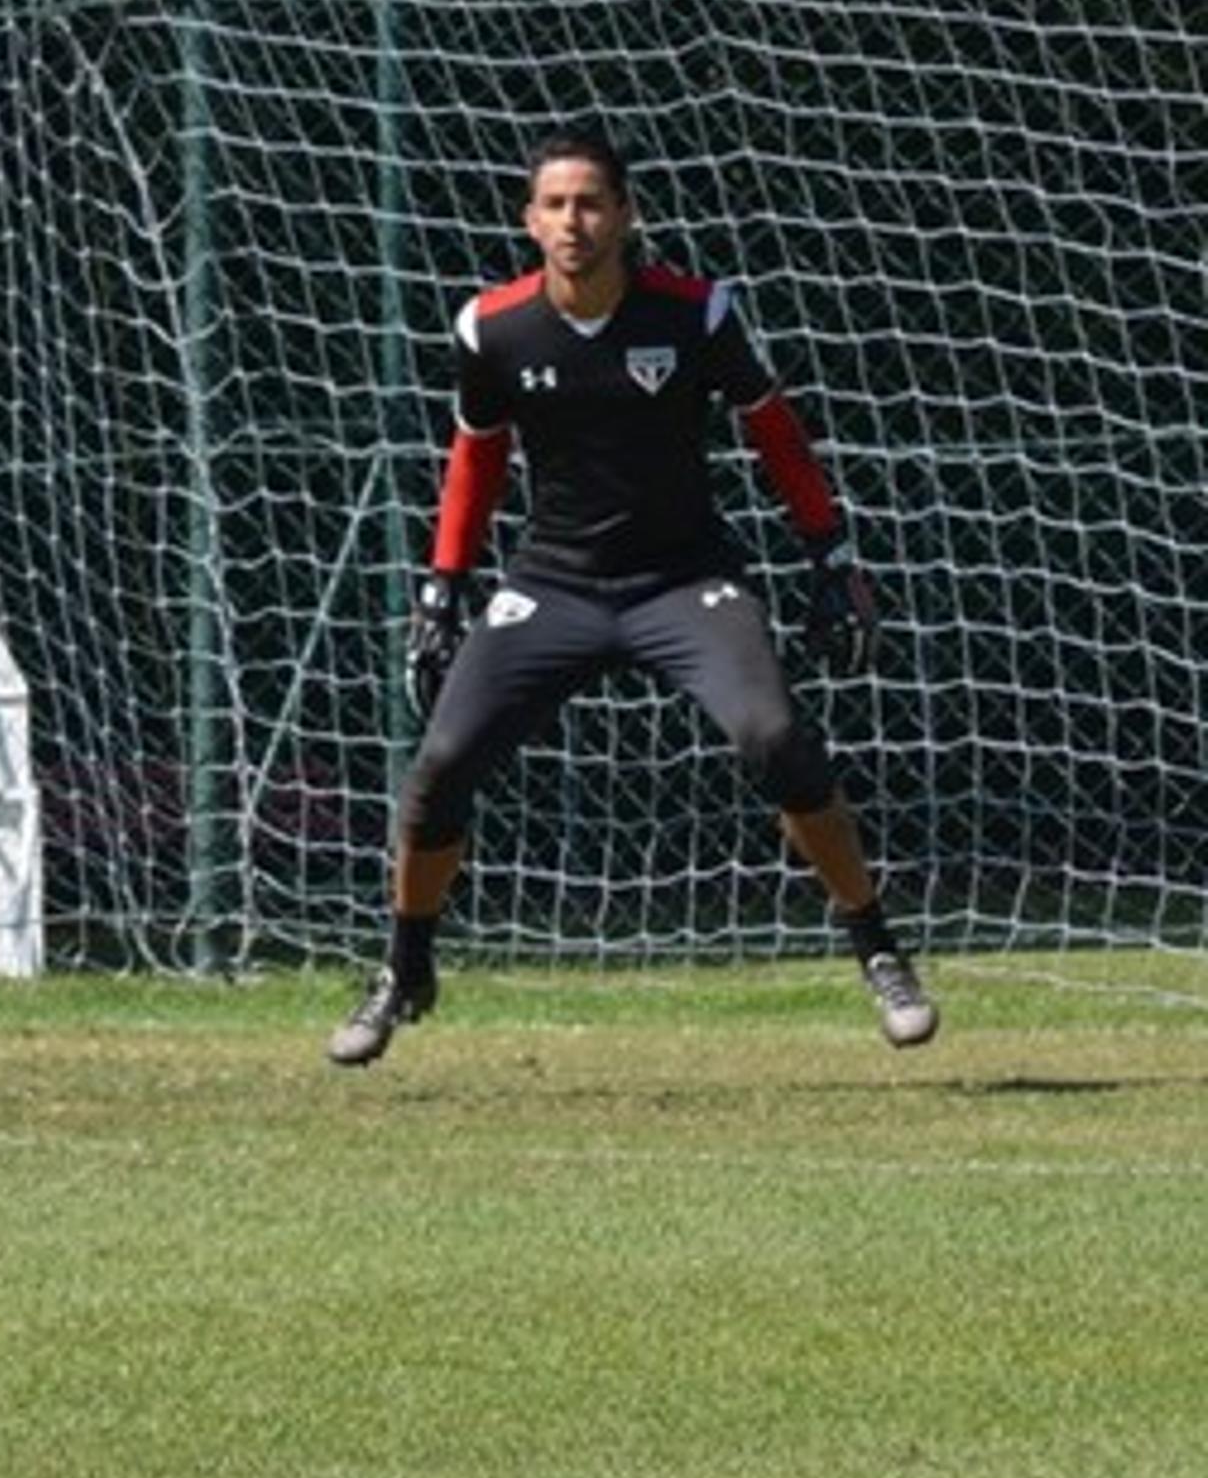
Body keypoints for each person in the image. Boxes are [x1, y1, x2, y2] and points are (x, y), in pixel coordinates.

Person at [330, 126, 931, 1067]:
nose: (575, 220)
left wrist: (831, 555)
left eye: (592, 201)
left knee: (774, 737)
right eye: (556, 204)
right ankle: (403, 970)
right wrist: (443, 584)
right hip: (552, 585)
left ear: (627, 213)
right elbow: (477, 457)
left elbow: (775, 433)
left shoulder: (694, 314)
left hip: (684, 582)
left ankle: (878, 947)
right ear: (529, 221)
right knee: (441, 762)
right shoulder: (494, 326)